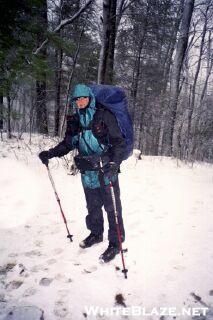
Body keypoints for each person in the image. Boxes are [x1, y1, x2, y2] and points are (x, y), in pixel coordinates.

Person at [39, 84, 126, 262]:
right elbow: (68, 143)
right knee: (92, 205)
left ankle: (116, 243)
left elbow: (119, 142)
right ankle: (95, 233)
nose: (79, 102)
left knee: (112, 208)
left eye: (82, 98)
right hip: (88, 170)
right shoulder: (75, 121)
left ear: (89, 97)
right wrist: (51, 153)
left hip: (106, 168)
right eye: (76, 99)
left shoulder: (104, 116)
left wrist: (114, 163)